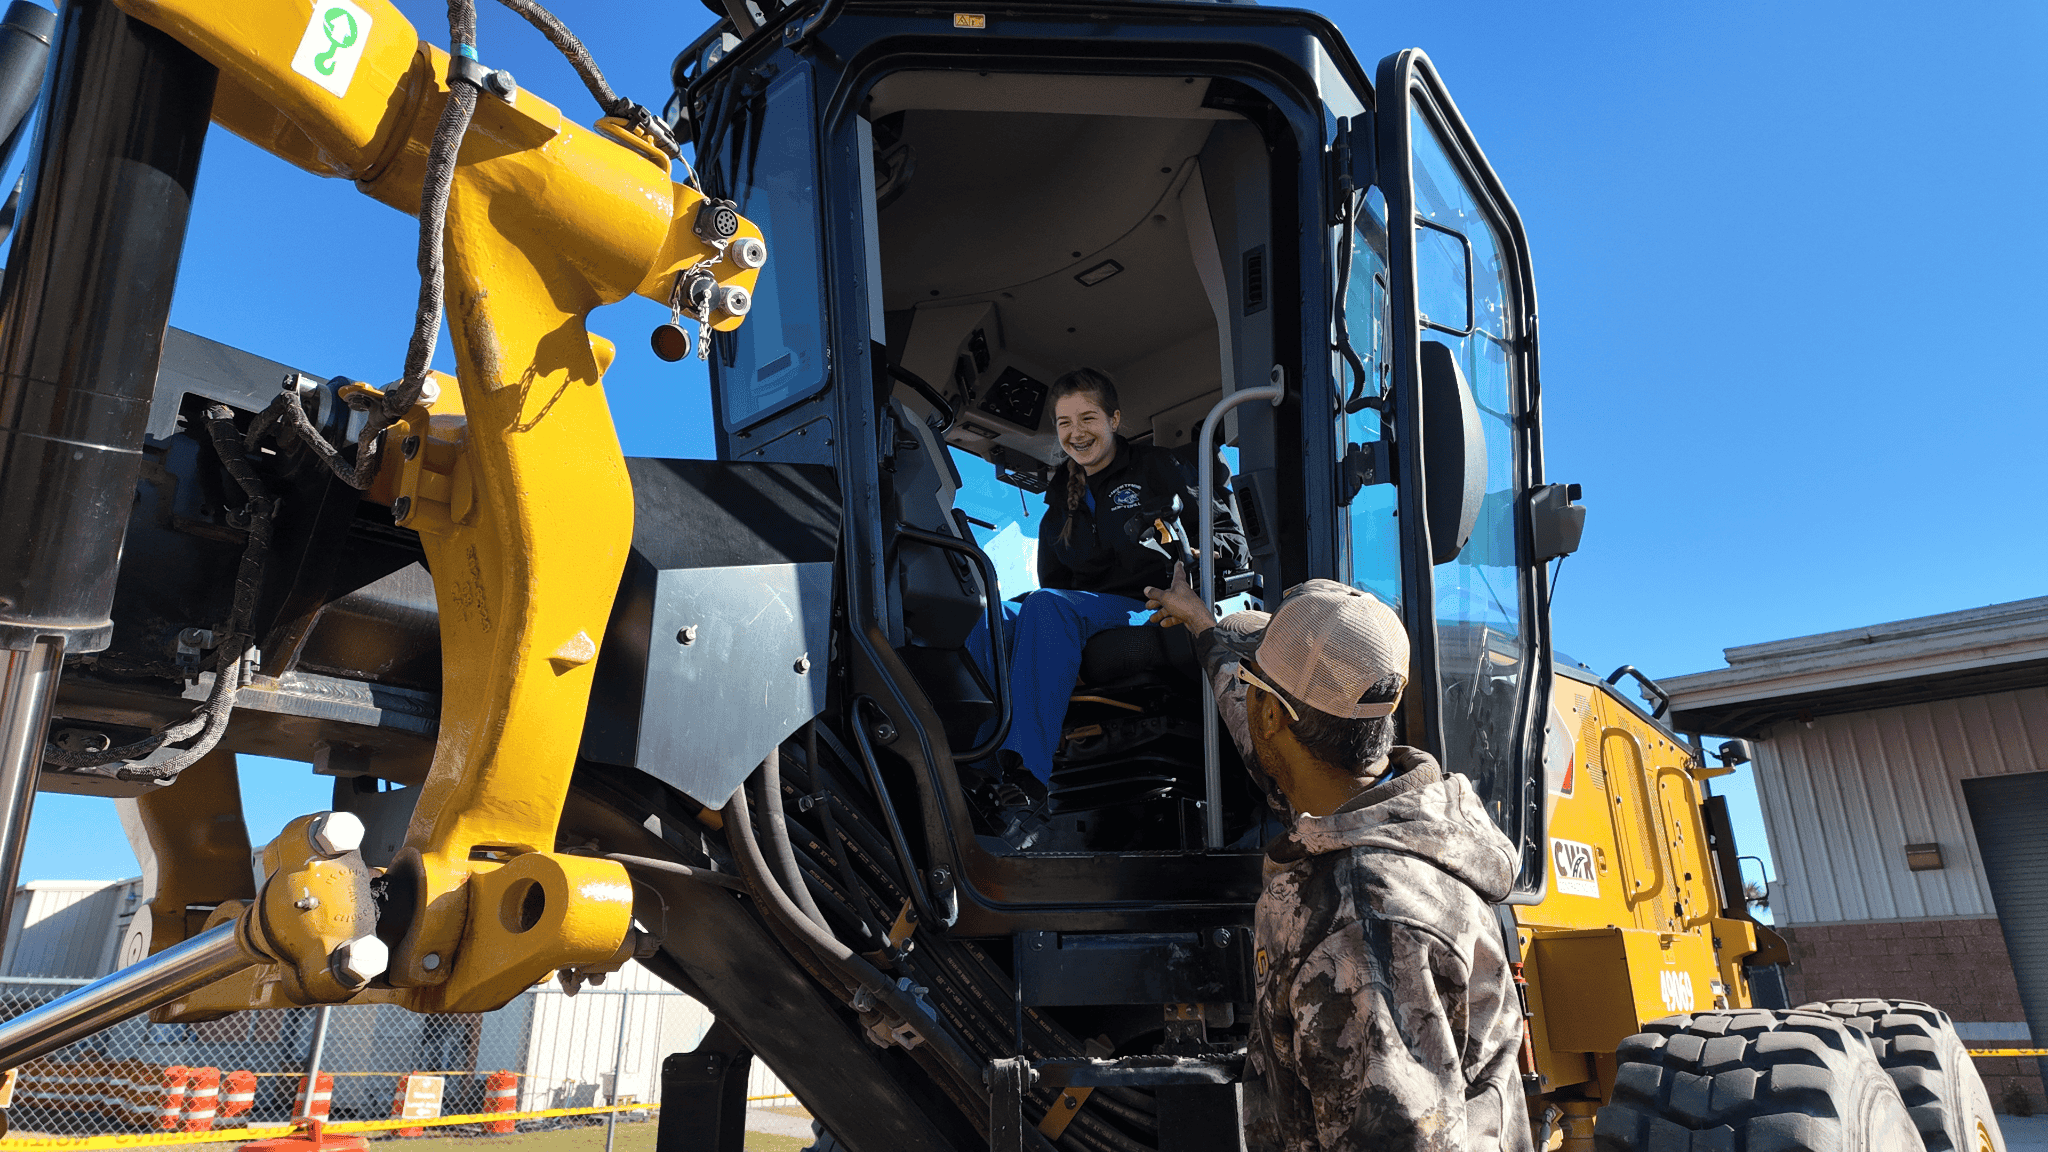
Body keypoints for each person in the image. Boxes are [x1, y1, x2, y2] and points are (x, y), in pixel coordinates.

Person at [1145, 564, 1533, 1152]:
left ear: (1273, 716)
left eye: (1253, 688)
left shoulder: (1364, 924)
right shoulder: (1391, 812)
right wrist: (1204, 628)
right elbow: (1257, 736)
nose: (1243, 697)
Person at [967, 367, 1246, 792]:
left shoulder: (1156, 468)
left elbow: (1231, 542)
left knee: (1047, 607)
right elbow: (1054, 580)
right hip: (1088, 612)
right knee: (990, 617)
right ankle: (976, 770)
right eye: (1064, 423)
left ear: (1114, 420)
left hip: (1153, 604)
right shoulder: (1060, 501)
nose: (1076, 433)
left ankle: (1026, 778)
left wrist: (1193, 555)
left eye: (1087, 418)